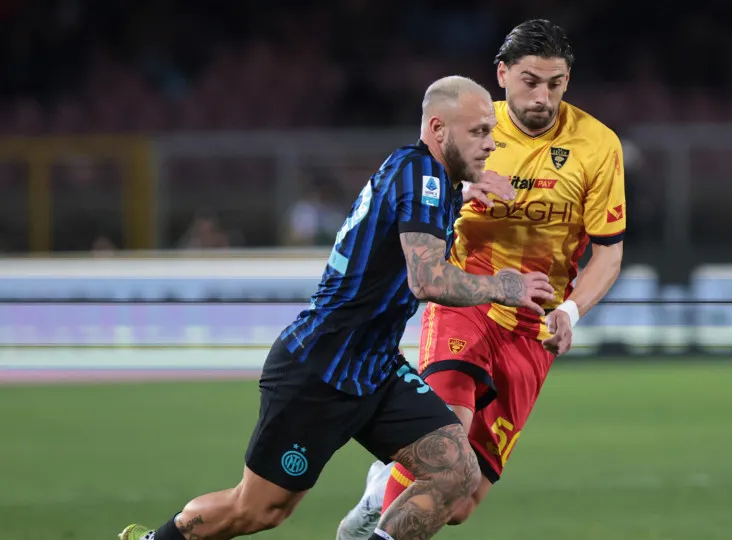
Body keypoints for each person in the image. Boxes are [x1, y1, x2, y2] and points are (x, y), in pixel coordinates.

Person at [117, 75, 555, 540]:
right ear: (438, 128)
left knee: (456, 471)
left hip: (375, 367)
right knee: (257, 510)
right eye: (478, 131)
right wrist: (503, 286)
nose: (490, 144)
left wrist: (461, 193)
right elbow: (427, 279)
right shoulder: (423, 177)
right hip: (320, 368)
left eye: (491, 131)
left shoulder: (425, 177)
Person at [337, 18, 626, 539]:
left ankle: (380, 492)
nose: (542, 97)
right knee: (444, 449)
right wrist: (460, 193)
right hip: (466, 300)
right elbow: (411, 200)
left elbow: (609, 253)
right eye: (530, 81)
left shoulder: (598, 145)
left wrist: (570, 311)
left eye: (556, 83)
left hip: (533, 327)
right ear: (502, 74)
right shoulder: (469, 127)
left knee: (461, 503)